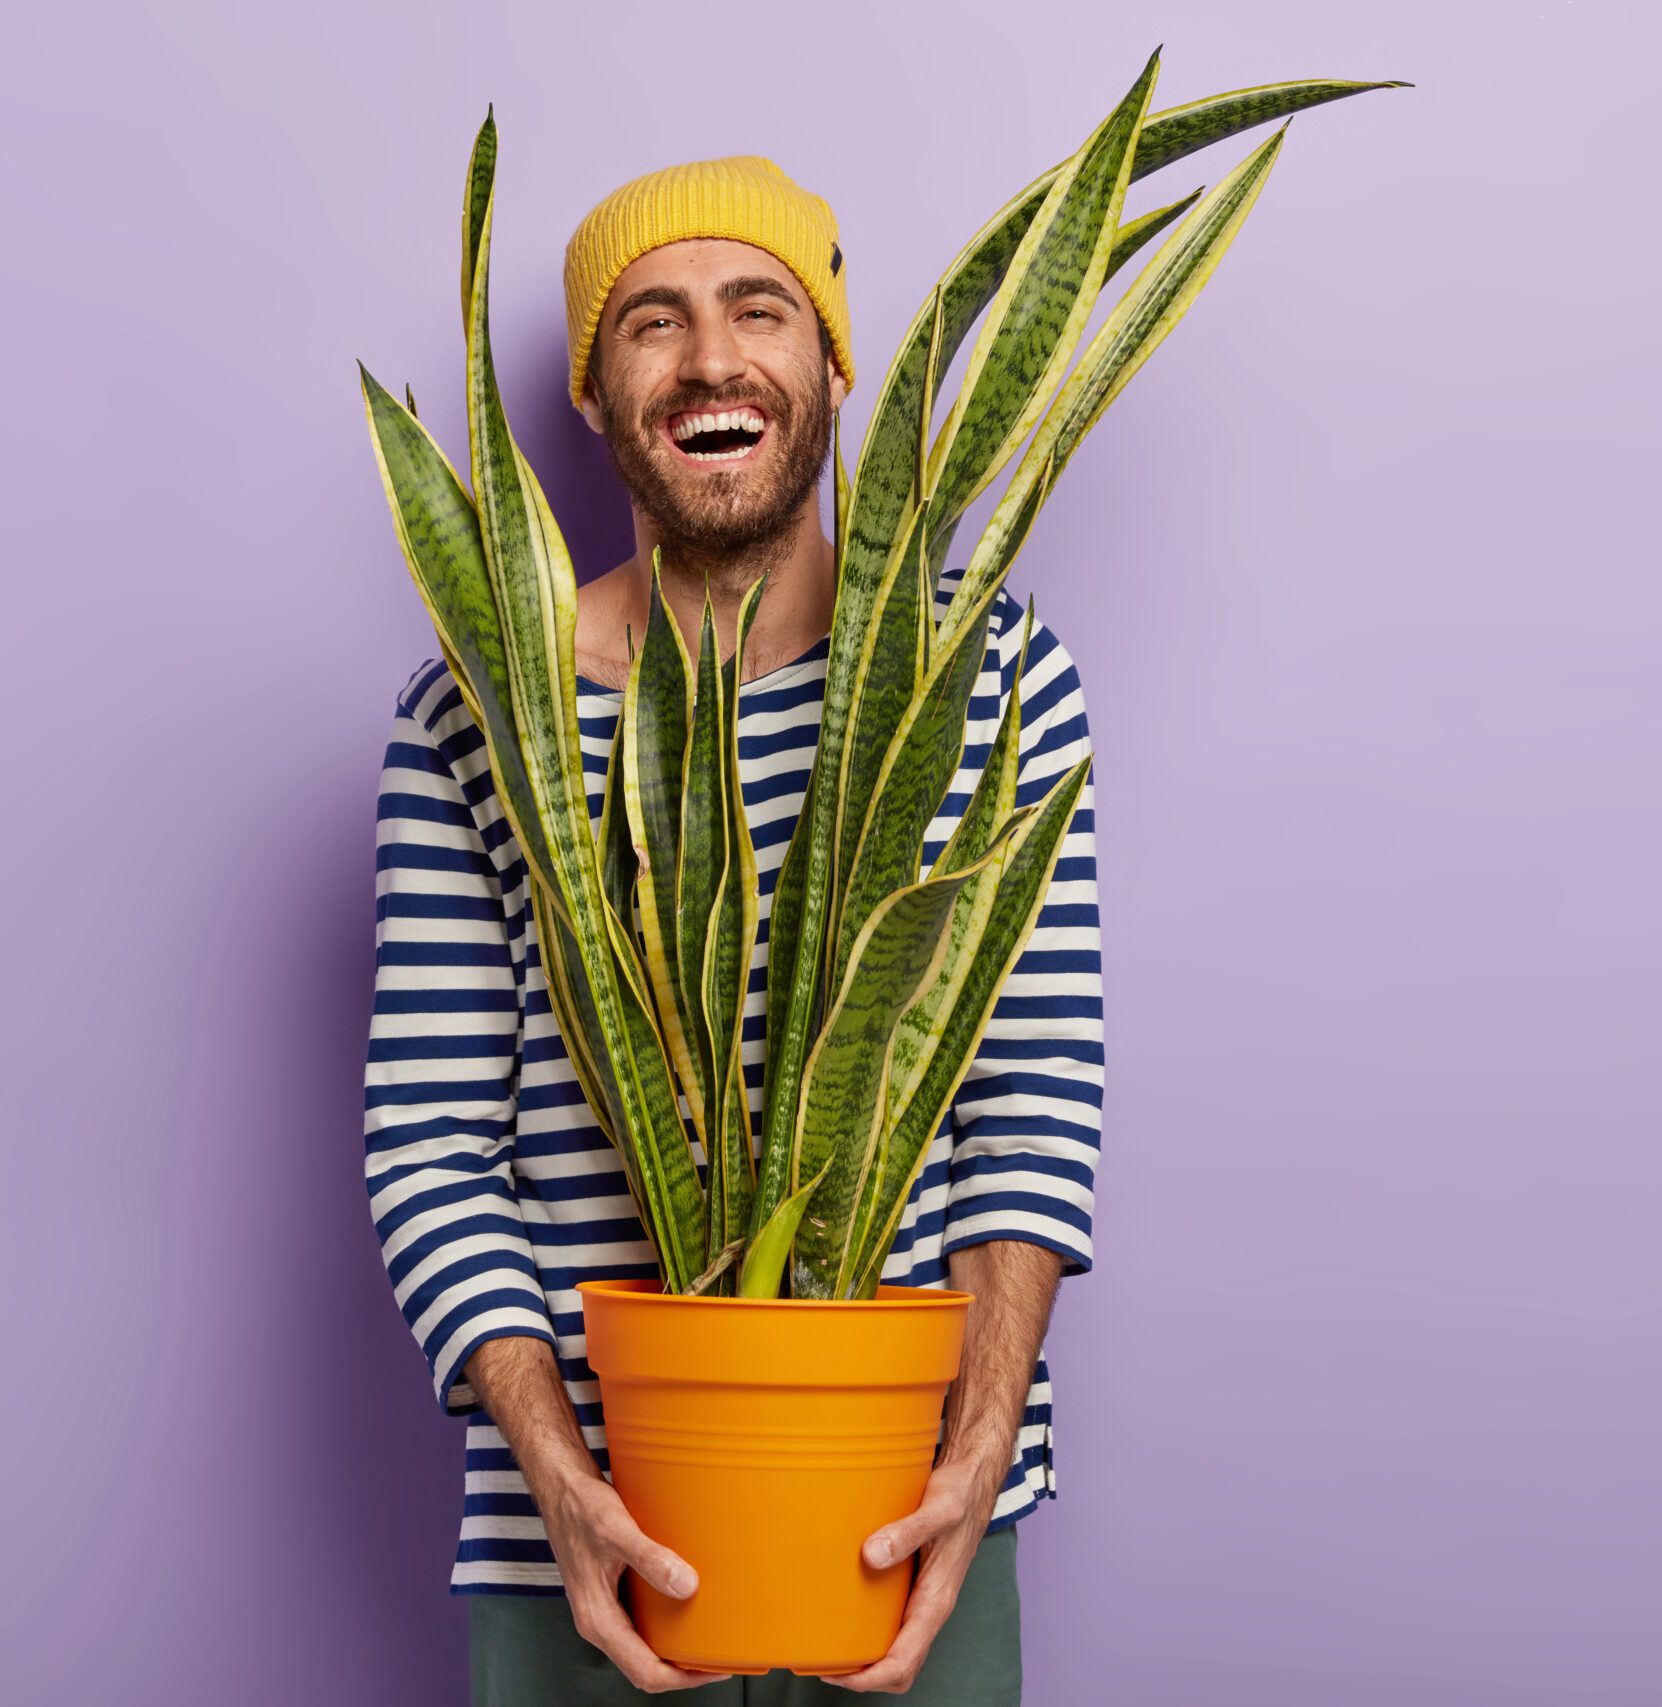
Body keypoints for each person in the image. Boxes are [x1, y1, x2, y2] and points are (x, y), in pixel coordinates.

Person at [362, 154, 1104, 1704]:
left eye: (759, 308)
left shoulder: (992, 677)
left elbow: (1025, 1104)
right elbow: (431, 1141)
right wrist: (560, 1481)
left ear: (830, 359)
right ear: (593, 394)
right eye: (651, 322)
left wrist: (974, 1457)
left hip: (912, 1533)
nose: (711, 359)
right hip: (583, 1553)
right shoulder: (475, 718)